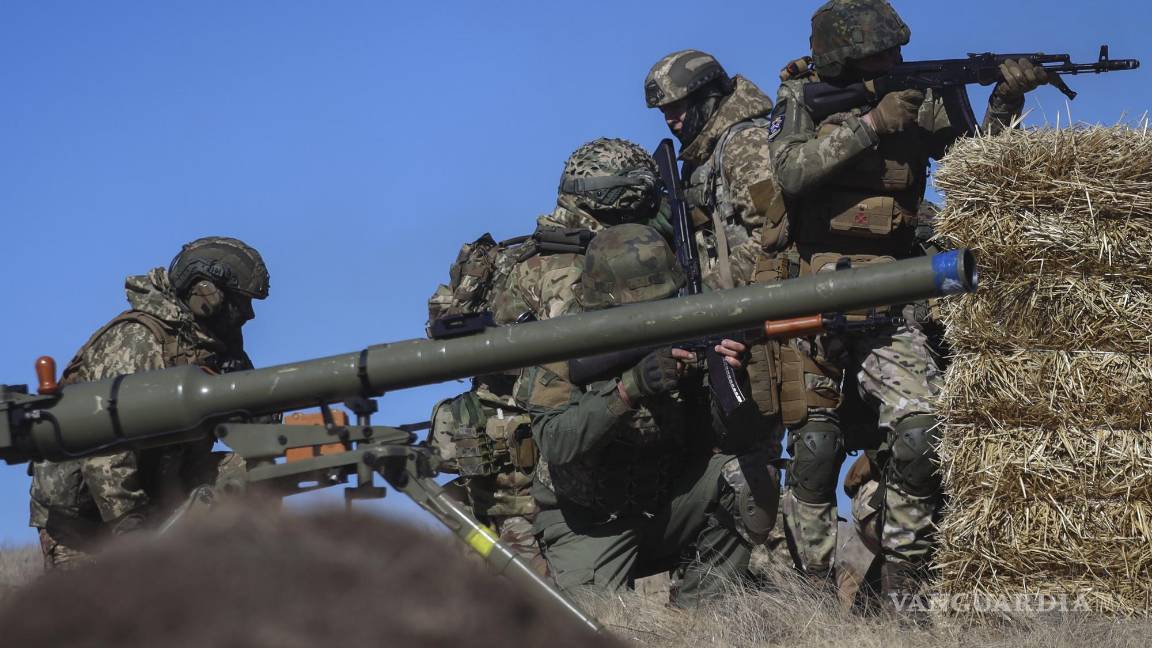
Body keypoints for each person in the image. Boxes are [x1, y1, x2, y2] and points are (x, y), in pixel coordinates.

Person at [766, 0, 1046, 598]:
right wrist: (873, 123)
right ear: (848, 57)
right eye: (883, 54)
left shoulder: (919, 97)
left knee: (922, 431)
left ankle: (905, 589)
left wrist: (1005, 101)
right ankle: (809, 599)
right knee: (815, 450)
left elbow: (978, 163)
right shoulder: (799, 99)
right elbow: (789, 172)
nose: (898, 61)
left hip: (893, 292)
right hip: (811, 290)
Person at [425, 138, 668, 574]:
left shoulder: (520, 254)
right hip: (539, 478)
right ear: (619, 200)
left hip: (496, 471)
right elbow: (576, 371)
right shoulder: (569, 270)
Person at [525, 224, 780, 607]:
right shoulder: (563, 340)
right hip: (589, 525)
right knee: (596, 630)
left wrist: (730, 371)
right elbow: (557, 441)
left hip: (666, 505)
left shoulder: (691, 320)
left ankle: (702, 617)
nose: (653, 314)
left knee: (746, 476)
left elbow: (725, 440)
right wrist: (629, 388)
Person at [28, 237, 270, 569]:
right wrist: (135, 539)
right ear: (206, 293)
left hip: (157, 486)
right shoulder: (135, 340)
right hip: (88, 521)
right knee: (96, 616)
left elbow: (255, 430)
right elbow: (104, 453)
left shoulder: (216, 346)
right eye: (241, 301)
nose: (249, 314)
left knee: (254, 471)